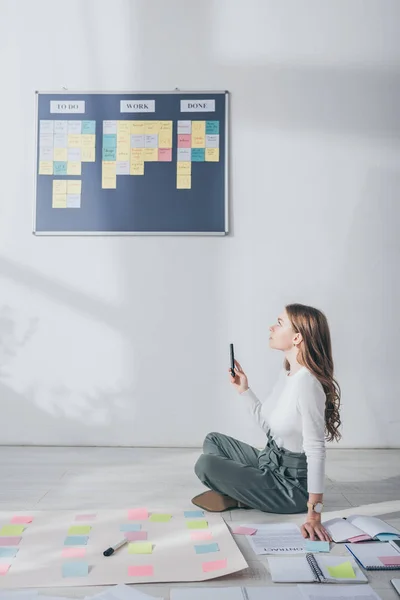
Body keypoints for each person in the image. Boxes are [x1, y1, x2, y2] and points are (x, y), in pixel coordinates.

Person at [192, 303, 341, 541]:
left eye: (279, 323)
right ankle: (251, 490)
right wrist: (244, 390)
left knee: (206, 465)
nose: (271, 327)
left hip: (291, 486)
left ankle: (245, 495)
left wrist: (314, 513)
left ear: (297, 338)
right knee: (214, 441)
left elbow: (316, 450)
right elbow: (271, 426)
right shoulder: (288, 374)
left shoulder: (307, 384)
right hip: (269, 461)